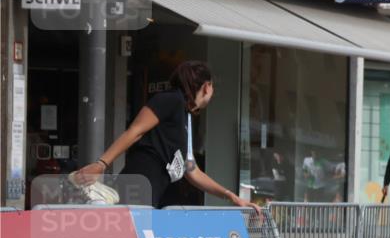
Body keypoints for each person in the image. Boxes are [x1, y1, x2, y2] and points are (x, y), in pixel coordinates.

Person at [75, 61, 257, 213]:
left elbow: (192, 171)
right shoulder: (170, 99)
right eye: (212, 86)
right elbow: (135, 131)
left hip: (149, 194)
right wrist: (101, 164)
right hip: (137, 186)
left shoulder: (186, 116)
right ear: (206, 86)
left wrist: (231, 196)